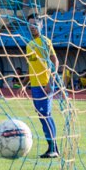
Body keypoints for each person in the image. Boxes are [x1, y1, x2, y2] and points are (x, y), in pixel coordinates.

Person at [24, 15, 59, 158]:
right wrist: (24, 83)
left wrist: (51, 82)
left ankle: (54, 148)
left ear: (41, 26)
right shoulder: (29, 45)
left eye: (35, 24)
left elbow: (55, 61)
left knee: (46, 115)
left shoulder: (45, 42)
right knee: (41, 115)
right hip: (34, 85)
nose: (32, 26)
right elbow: (31, 66)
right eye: (30, 24)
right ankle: (52, 148)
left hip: (45, 84)